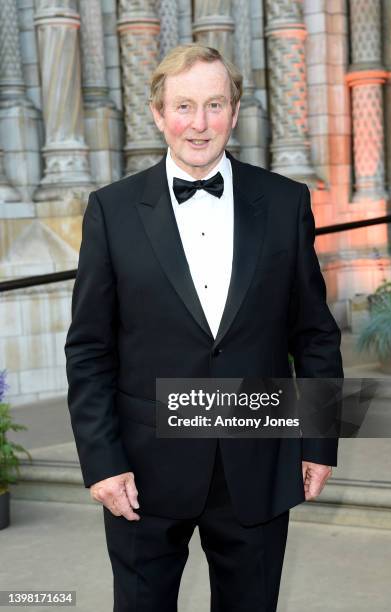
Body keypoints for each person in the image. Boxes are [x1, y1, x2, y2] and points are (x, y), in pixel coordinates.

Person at [65, 43, 343, 612]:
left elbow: (313, 333)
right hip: (143, 470)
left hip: (258, 460)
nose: (200, 124)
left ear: (235, 113)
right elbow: (90, 349)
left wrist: (318, 441)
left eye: (215, 105)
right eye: (185, 106)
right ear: (158, 113)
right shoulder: (111, 211)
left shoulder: (286, 203)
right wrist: (102, 459)